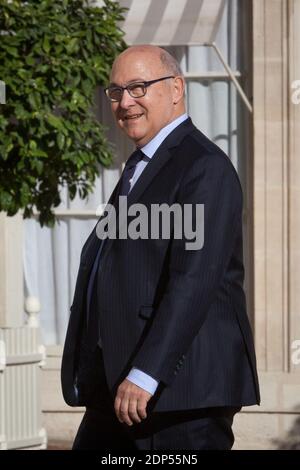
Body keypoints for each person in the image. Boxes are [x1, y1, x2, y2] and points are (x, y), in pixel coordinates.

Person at [61, 45, 260, 450]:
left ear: (175, 89)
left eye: (138, 87)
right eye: (116, 92)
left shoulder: (204, 166)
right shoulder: (140, 166)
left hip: (177, 395)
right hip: (117, 389)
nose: (124, 102)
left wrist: (146, 373)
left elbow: (194, 281)